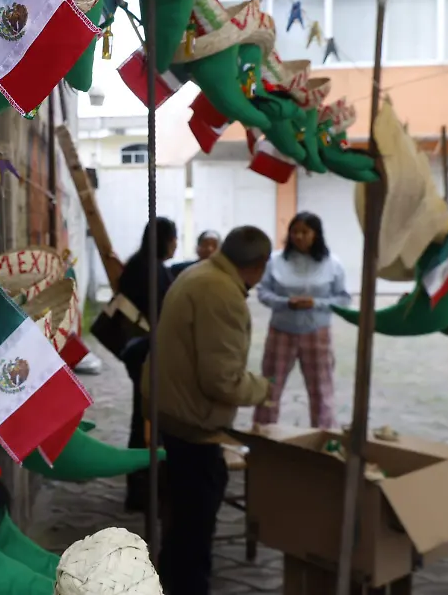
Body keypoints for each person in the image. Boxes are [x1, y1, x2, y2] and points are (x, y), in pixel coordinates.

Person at [143, 226, 274, 595]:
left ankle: (171, 578)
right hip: (191, 420)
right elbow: (221, 380)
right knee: (195, 522)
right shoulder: (221, 292)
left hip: (174, 408)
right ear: (260, 265)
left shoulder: (200, 273)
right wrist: (263, 389)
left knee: (188, 512)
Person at [254, 212, 350, 429]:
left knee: (321, 390)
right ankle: (262, 434)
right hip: (281, 331)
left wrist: (315, 303)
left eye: (305, 232)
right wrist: (286, 302)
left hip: (317, 332)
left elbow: (343, 299)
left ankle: (324, 437)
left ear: (316, 234)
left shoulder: (332, 263)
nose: (299, 236)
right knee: (270, 387)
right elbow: (263, 293)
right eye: (295, 232)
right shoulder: (275, 261)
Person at [118, 217, 177, 513]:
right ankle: (146, 490)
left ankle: (139, 489)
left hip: (134, 351)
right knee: (150, 421)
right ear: (165, 240)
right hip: (148, 354)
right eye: (173, 238)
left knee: (142, 418)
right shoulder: (155, 271)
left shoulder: (135, 265)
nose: (176, 244)